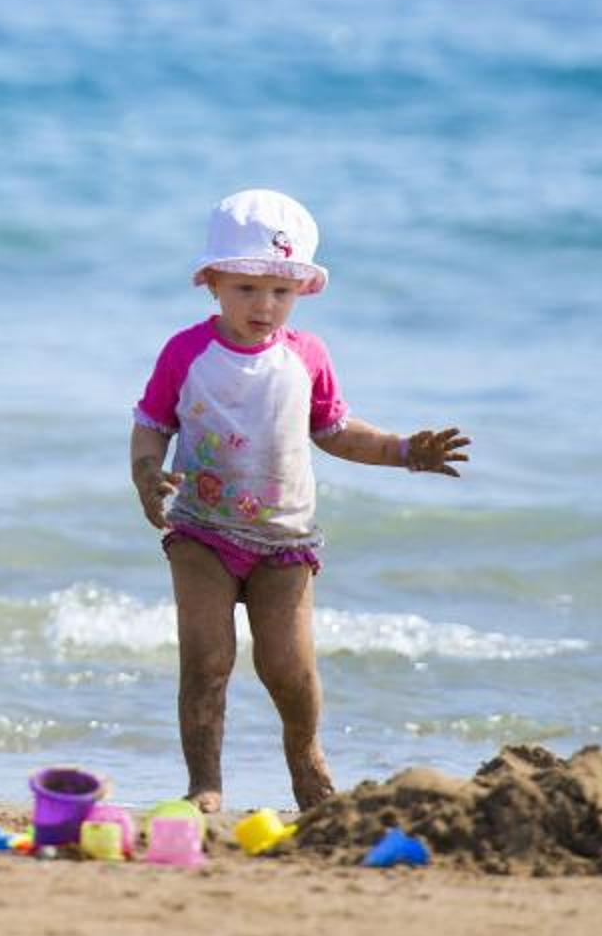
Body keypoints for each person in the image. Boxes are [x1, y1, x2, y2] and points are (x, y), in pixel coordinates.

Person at [128, 189, 470, 815]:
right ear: (212, 282)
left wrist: (402, 450)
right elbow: (152, 423)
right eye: (247, 288)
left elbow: (335, 432)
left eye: (281, 291)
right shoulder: (186, 353)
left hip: (285, 541)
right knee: (207, 660)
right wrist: (147, 474)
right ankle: (205, 783)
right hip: (201, 531)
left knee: (287, 668)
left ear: (302, 292)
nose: (264, 305)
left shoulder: (306, 356)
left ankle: (307, 762)